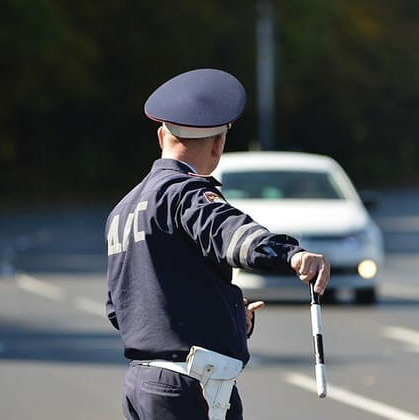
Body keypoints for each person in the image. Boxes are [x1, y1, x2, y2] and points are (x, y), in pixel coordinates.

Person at [104, 68, 330, 420]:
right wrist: (293, 255)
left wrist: (224, 316)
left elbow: (122, 309)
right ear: (218, 144)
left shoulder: (123, 209)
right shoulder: (185, 193)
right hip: (189, 388)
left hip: (142, 384)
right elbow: (233, 235)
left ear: (161, 135)